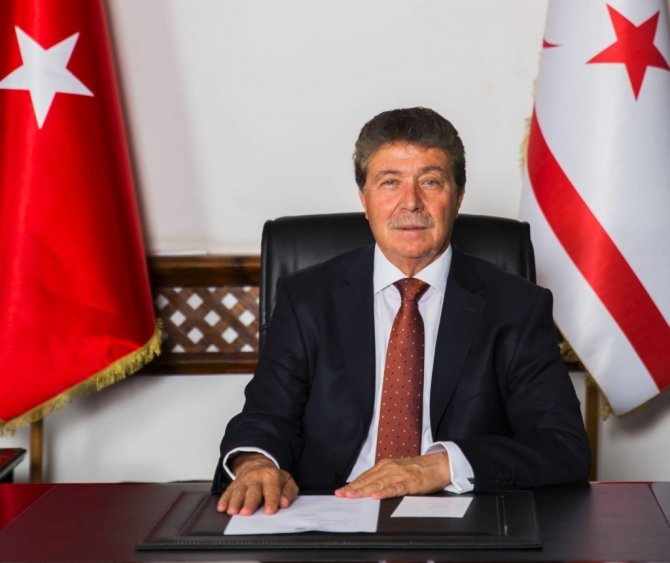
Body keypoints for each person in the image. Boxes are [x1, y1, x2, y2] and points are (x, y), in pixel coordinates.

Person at [212, 107, 590, 516]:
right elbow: (266, 416)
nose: (411, 202)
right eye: (390, 182)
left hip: (459, 519)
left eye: (431, 181)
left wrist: (443, 466)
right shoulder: (306, 298)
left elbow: (562, 446)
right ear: (364, 199)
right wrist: (256, 465)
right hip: (329, 511)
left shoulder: (516, 307)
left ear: (458, 197)